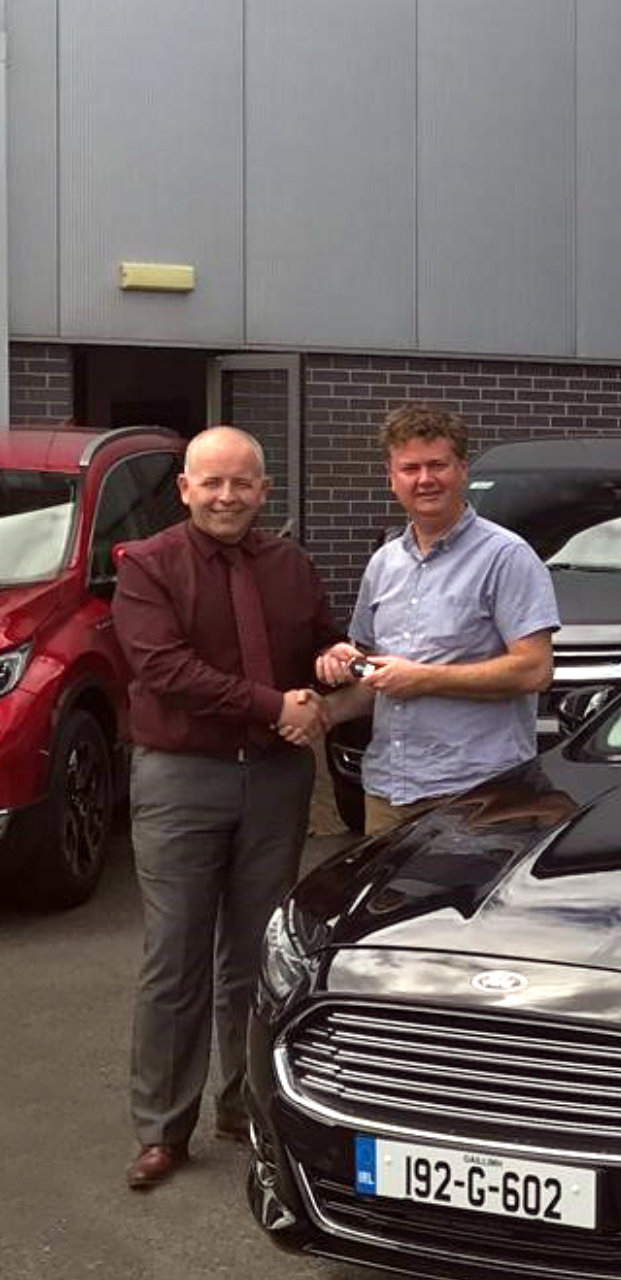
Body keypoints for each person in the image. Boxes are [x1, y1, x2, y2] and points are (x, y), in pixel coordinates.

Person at [112, 426, 339, 1191]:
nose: (226, 496)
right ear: (184, 490)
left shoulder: (292, 565)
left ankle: (244, 1103)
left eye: (241, 483)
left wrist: (333, 662)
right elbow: (163, 668)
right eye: (210, 482)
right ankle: (161, 1128)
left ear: (264, 492)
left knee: (255, 953)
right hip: (182, 778)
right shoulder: (147, 566)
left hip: (273, 783)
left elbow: (318, 643)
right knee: (174, 957)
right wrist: (277, 702)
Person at [315, 404, 558, 835]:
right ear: (391, 478)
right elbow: (375, 681)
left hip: (477, 795)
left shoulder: (506, 557)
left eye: (437, 465)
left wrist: (424, 678)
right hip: (388, 792)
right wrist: (326, 703)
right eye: (410, 468)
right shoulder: (383, 564)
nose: (424, 479)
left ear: (462, 469)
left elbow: (534, 669)